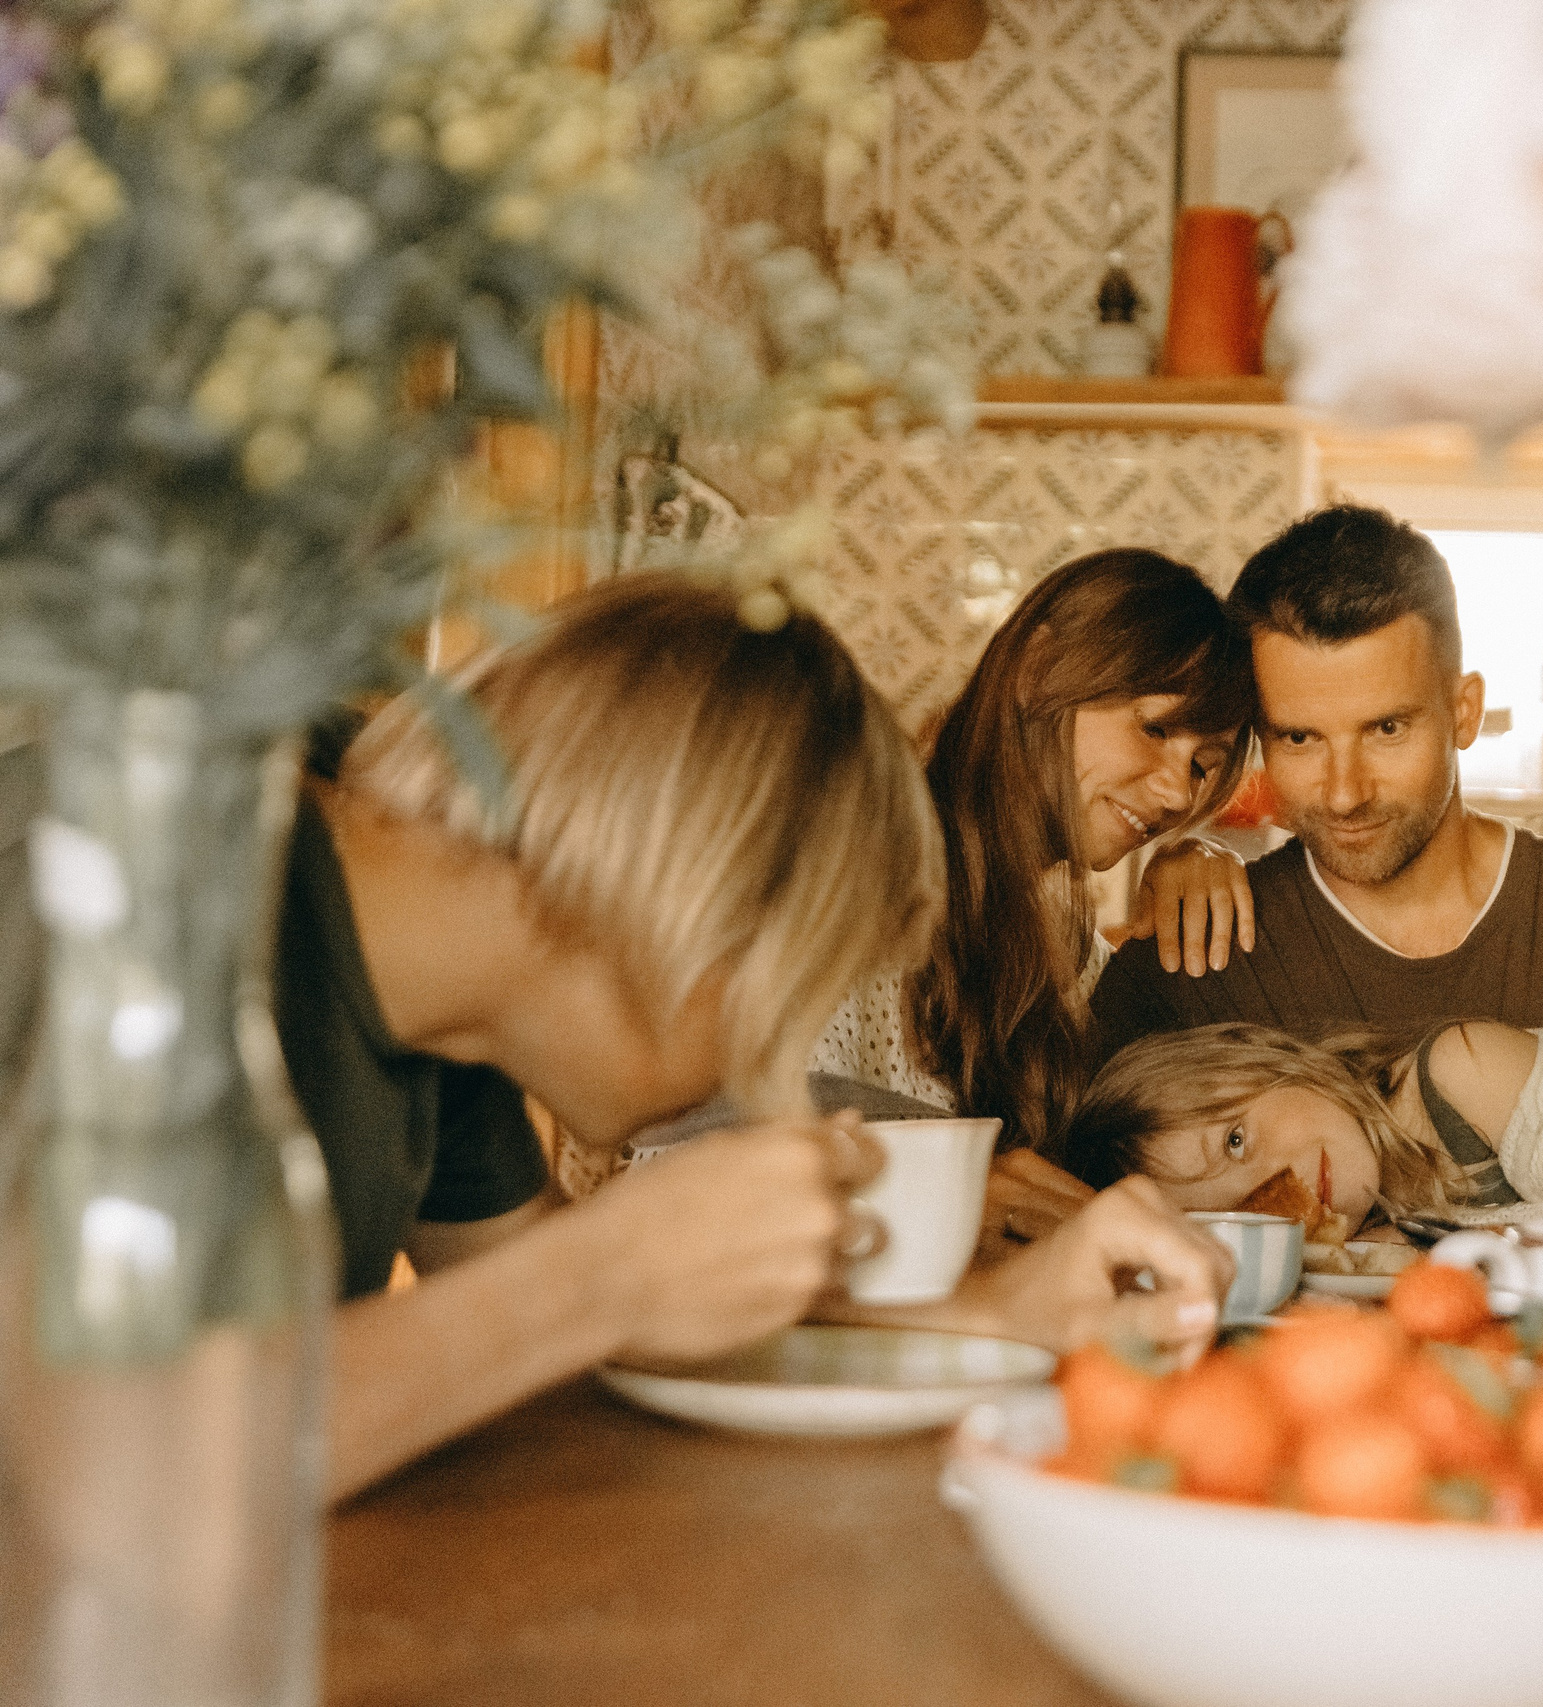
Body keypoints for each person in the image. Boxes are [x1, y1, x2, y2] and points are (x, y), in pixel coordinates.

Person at [3, 576, 1231, 1500]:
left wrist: (985, 1316)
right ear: (693, 905)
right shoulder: (129, 879)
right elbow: (94, 1450)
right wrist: (607, 1272)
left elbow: (541, 1324)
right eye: (780, 999)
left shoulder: (447, 1002)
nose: (763, 1069)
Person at [1089, 504, 1543, 1117]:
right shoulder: (1186, 973)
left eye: (1386, 729)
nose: (1344, 792)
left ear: (1464, 712)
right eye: (1300, 738)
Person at [808, 547, 1254, 1239]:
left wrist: (1194, 877)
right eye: (1155, 727)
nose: (1176, 792)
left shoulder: (1065, 942)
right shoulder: (849, 854)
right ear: (1037, 670)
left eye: (1203, 765)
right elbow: (725, 1144)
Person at [1053, 1018, 1543, 1232]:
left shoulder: (1462, 1068)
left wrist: (1449, 1263)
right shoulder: (1370, 1227)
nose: (1277, 1186)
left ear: (1265, 1058)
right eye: (1242, 1210)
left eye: (1235, 1140)